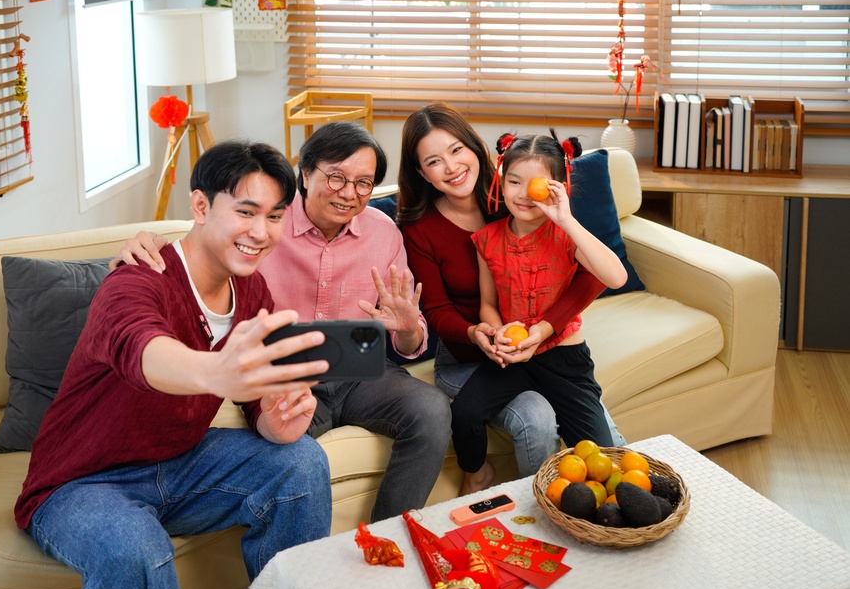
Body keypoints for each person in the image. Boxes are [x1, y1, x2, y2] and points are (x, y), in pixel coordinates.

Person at [15, 141, 333, 589]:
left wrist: (277, 420)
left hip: (181, 463)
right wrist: (213, 371)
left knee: (303, 461)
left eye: (274, 217)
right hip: (80, 483)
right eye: (246, 212)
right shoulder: (136, 280)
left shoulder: (251, 289)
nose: (260, 232)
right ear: (201, 206)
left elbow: (255, 403)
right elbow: (142, 348)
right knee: (137, 548)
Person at [111, 121, 452, 523]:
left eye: (363, 183)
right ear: (305, 173)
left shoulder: (384, 233)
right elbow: (202, 247)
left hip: (361, 371)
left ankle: (386, 537)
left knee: (431, 409)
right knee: (287, 455)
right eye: (337, 177)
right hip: (286, 375)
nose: (349, 193)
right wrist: (146, 244)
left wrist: (410, 329)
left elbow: (408, 344)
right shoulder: (265, 225)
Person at [398, 102, 625, 494]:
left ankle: (605, 493)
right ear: (421, 172)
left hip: (554, 347)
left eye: (456, 150)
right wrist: (485, 331)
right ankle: (509, 491)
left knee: (602, 445)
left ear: (475, 148)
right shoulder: (445, 229)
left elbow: (601, 275)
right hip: (491, 350)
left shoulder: (526, 203)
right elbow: (438, 309)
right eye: (434, 161)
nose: (451, 167)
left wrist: (544, 327)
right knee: (520, 417)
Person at [449, 131, 627, 487]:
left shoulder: (566, 235)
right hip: (514, 358)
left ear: (557, 187)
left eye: (536, 185)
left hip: (565, 362)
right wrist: (499, 331)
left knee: (601, 458)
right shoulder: (487, 239)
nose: (522, 193)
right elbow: (487, 303)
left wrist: (566, 219)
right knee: (464, 412)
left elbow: (616, 276)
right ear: (501, 178)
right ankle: (476, 475)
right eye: (514, 181)